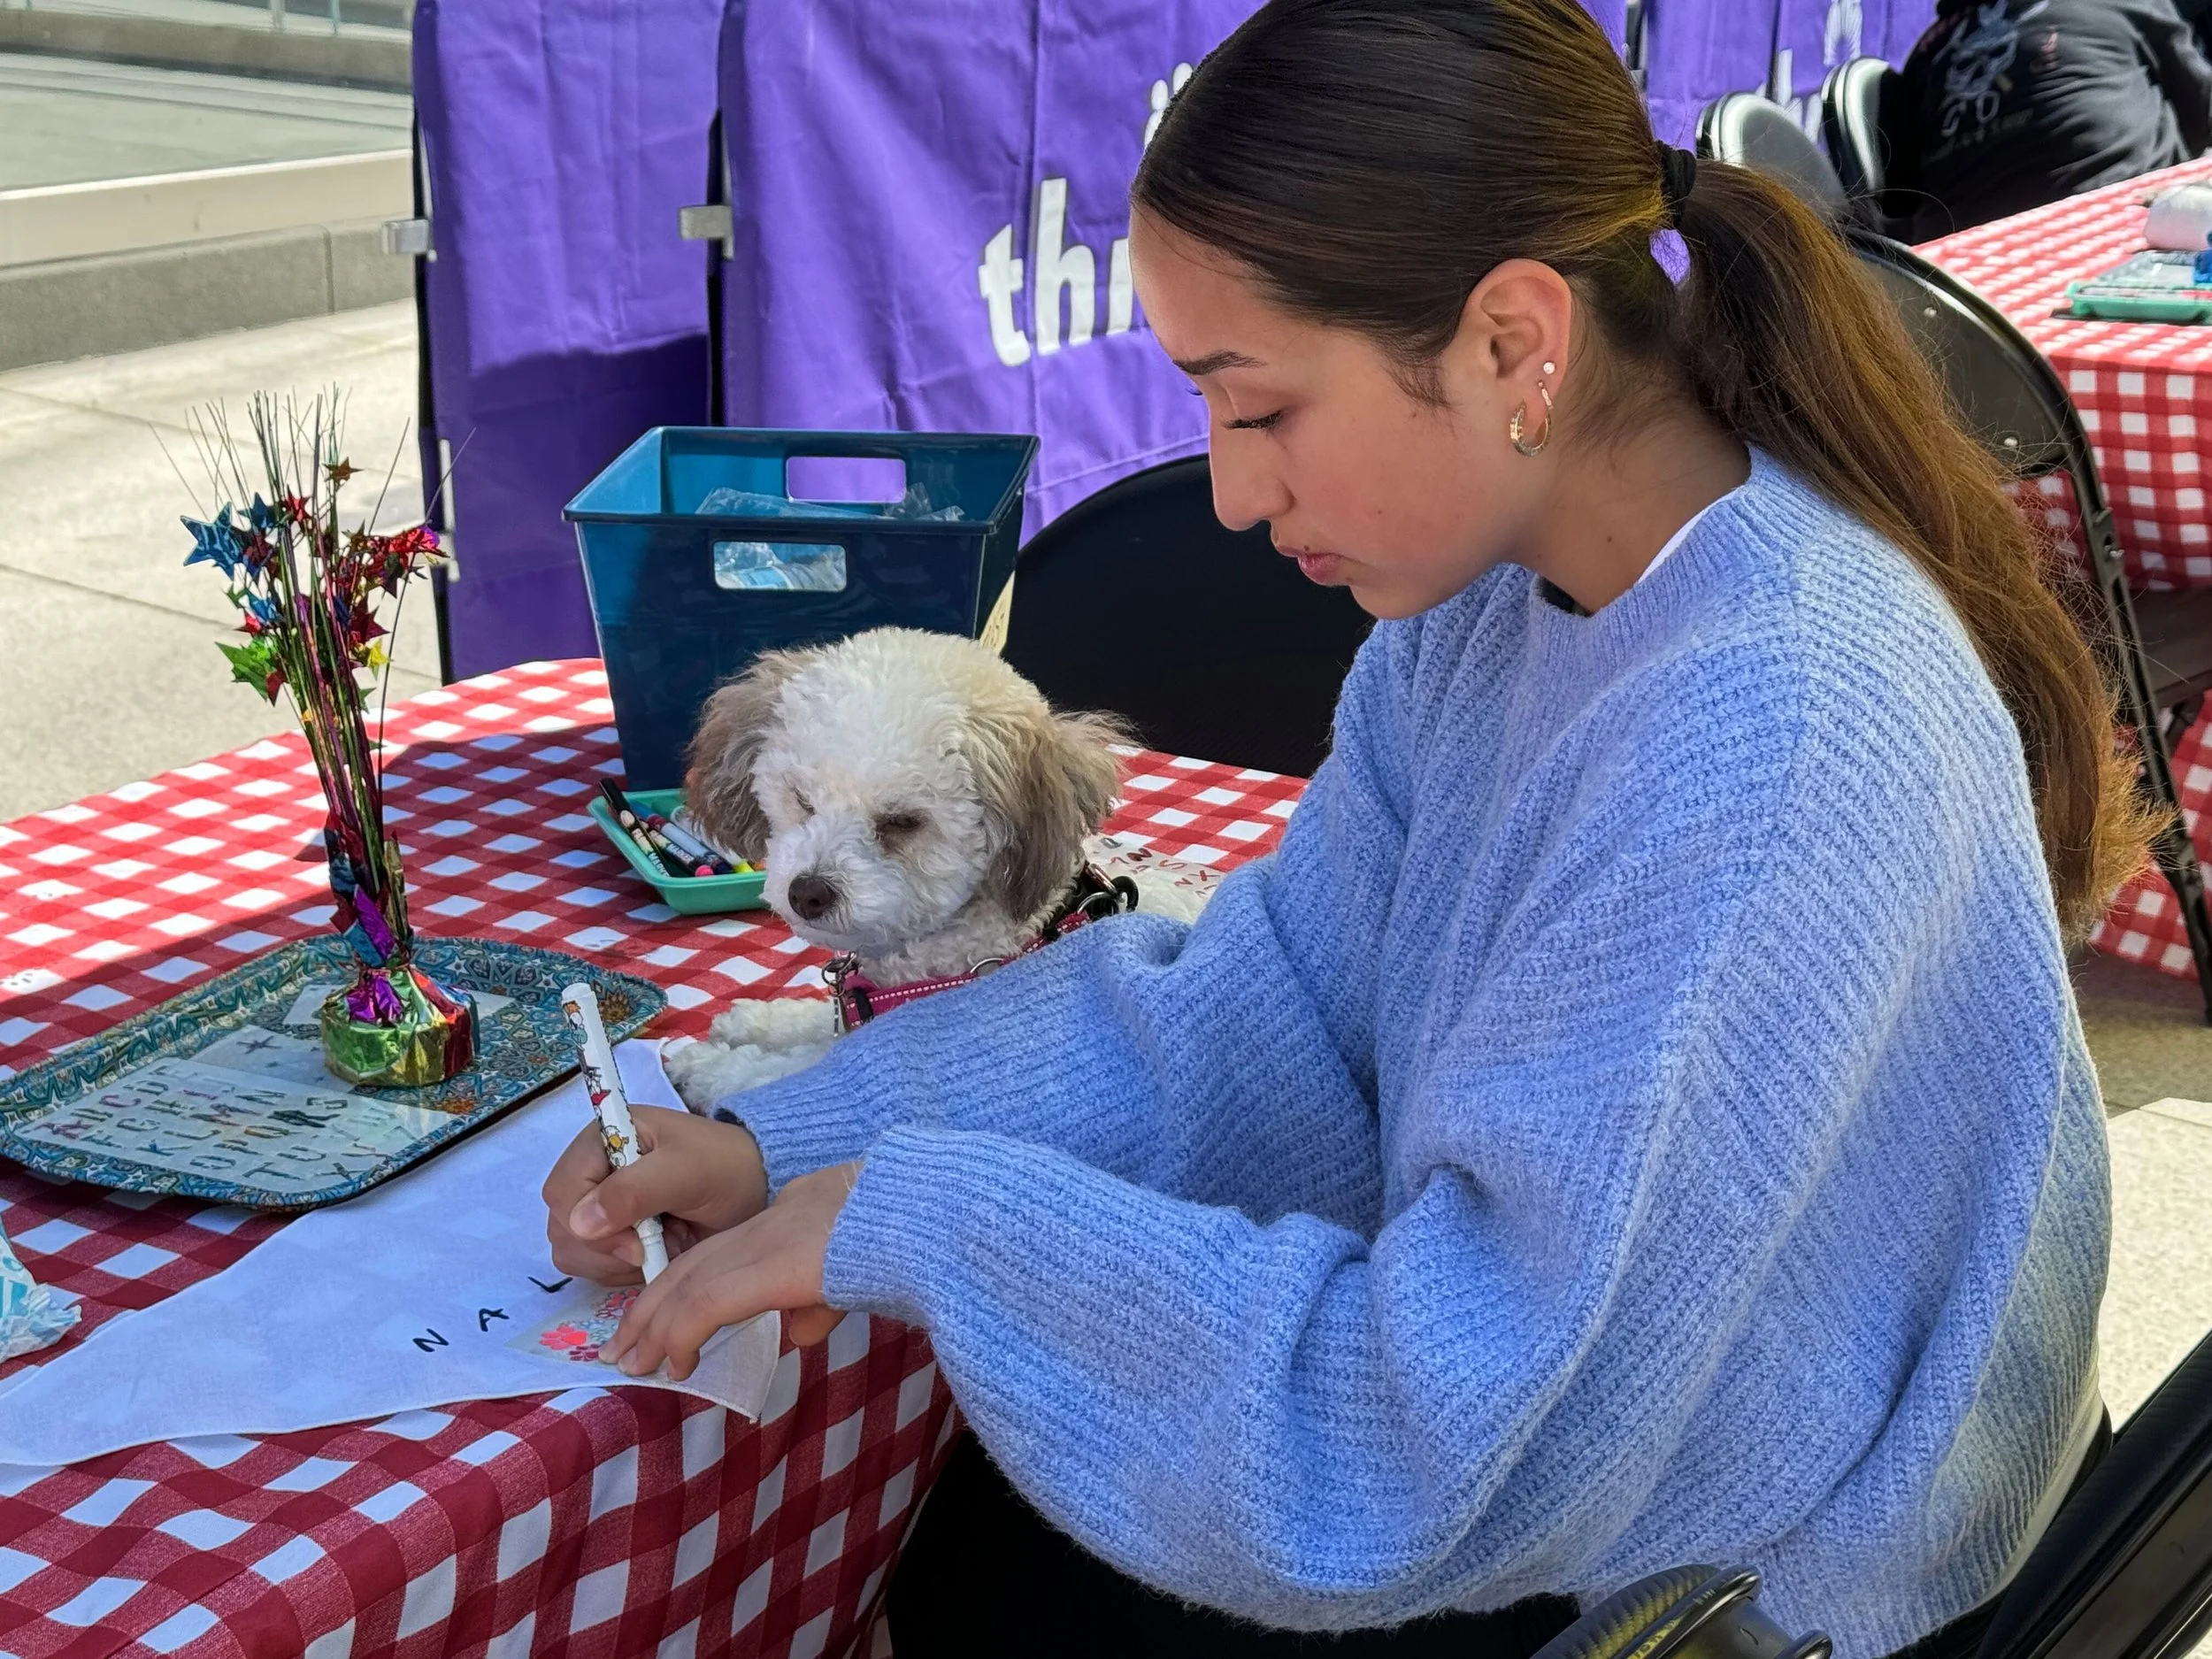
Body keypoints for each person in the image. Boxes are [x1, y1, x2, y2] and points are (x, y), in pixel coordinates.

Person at [541, 0, 2150, 1653]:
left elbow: (1428, 1449)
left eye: (1258, 407)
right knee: (970, 1554)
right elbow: (1285, 1010)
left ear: (1515, 343)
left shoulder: (1762, 738)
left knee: (977, 1591)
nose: (1233, 491)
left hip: (1764, 1590)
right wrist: (795, 1142)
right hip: (1620, 1465)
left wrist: (928, 1215)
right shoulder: (1499, 605)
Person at [1893, 0, 2212, 241]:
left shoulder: (1928, 50)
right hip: (2116, 232)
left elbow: (1898, 198)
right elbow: (2203, 112)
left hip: (1955, 275)